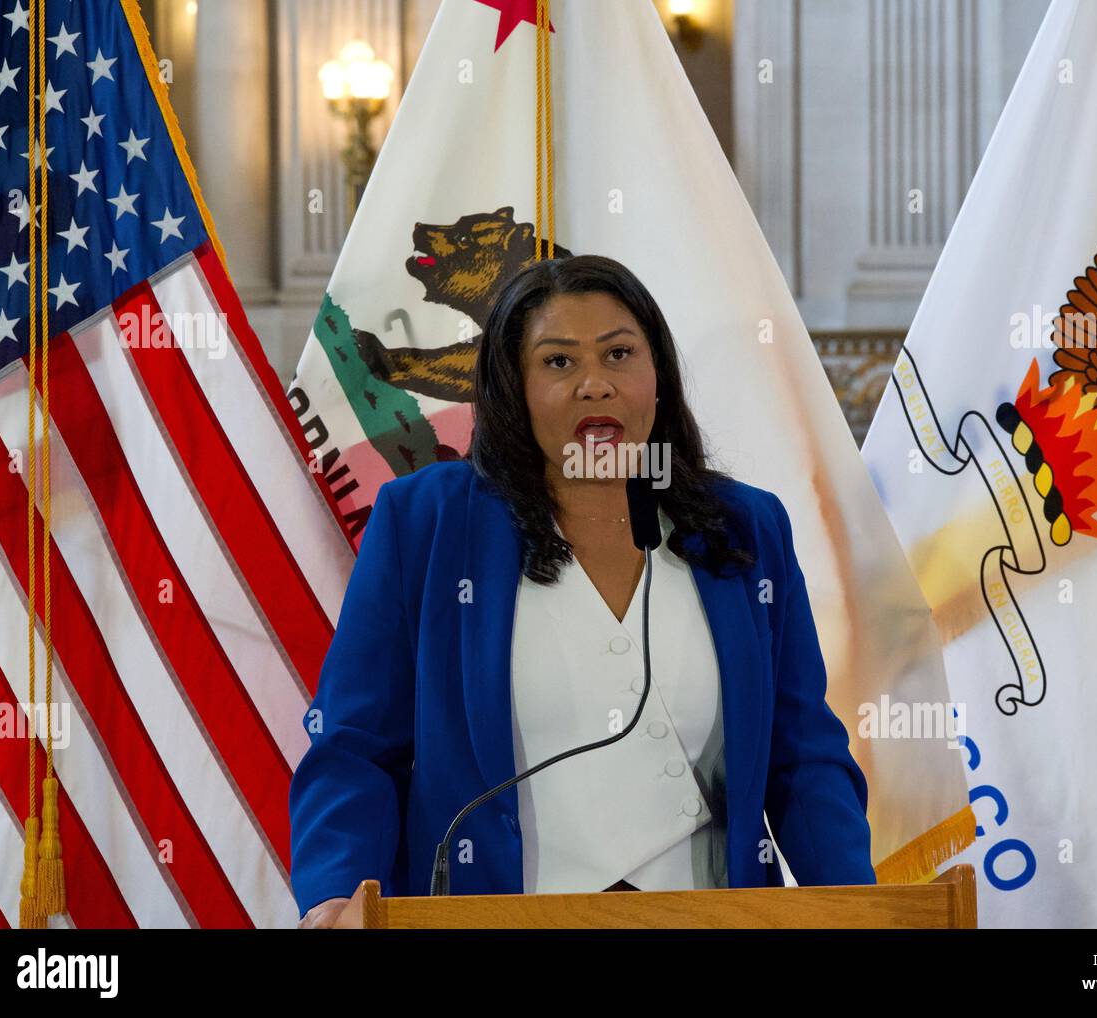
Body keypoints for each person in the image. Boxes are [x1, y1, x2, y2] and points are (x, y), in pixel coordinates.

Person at [289, 254, 875, 928]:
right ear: (515, 387)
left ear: (657, 377)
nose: (595, 384)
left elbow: (802, 756)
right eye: (559, 362)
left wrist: (857, 903)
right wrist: (336, 892)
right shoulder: (427, 524)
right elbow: (356, 745)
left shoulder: (744, 528)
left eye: (620, 354)